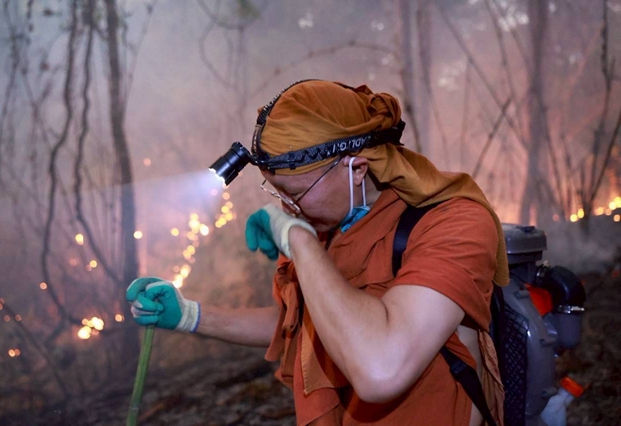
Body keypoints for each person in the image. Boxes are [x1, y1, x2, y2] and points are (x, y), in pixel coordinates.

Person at [127, 80, 509, 425]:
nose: (287, 208)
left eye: (295, 193)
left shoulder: (453, 223)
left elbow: (381, 370)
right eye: (277, 192)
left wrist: (300, 242)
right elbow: (299, 321)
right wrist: (191, 315)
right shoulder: (322, 224)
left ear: (356, 169)